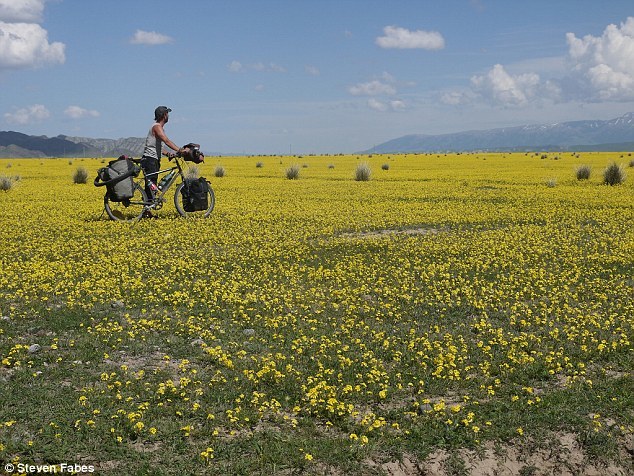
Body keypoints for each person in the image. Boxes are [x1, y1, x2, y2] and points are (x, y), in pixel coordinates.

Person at [140, 106, 184, 214]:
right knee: (150, 186)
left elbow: (158, 146)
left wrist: (167, 153)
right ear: (164, 115)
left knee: (151, 185)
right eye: (167, 114)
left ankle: (147, 211)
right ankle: (146, 211)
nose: (168, 116)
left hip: (153, 159)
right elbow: (166, 140)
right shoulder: (157, 127)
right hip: (150, 159)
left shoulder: (158, 127)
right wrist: (180, 150)